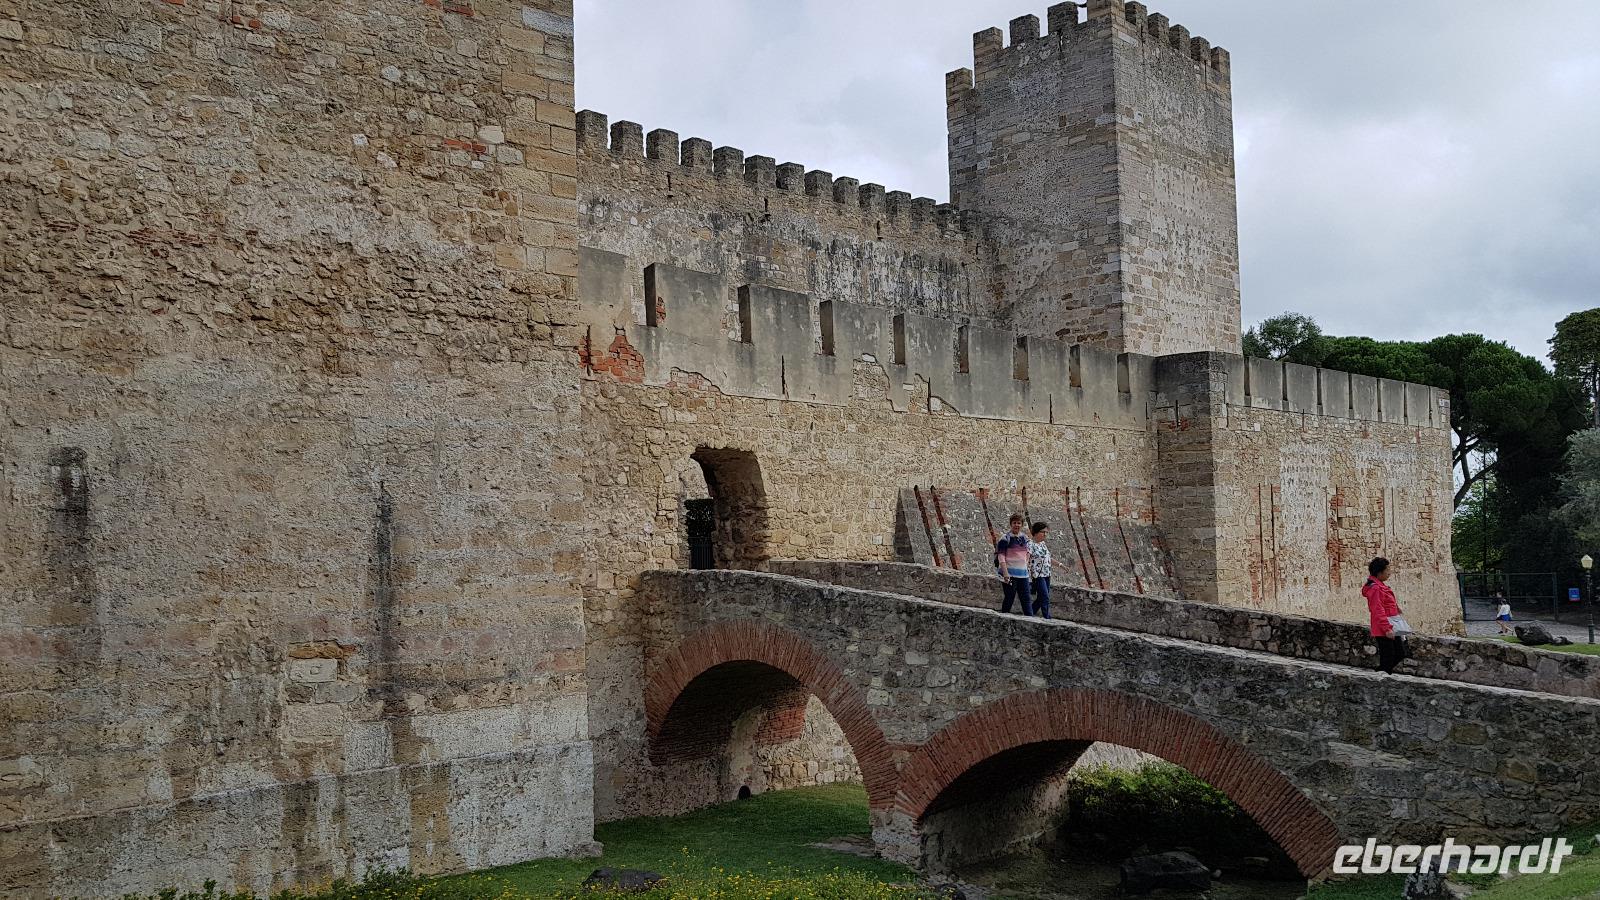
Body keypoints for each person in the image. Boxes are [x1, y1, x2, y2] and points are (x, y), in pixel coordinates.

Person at [1363, 557, 1411, 673]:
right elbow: (1377, 609)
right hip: (1384, 627)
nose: (1389, 573)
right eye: (1387, 570)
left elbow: (1384, 604)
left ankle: (1382, 674)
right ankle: (1380, 678)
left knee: (1399, 653)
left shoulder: (1379, 586)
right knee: (1389, 657)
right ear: (1380, 573)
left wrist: (1395, 607)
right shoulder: (1375, 588)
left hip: (1391, 625)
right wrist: (1387, 629)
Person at [995, 514, 1032, 616]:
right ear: (1011, 524)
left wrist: (1026, 563)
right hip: (1010, 574)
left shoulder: (1025, 538)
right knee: (1009, 598)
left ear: (1022, 525)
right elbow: (1001, 556)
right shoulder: (1005, 538)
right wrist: (1005, 573)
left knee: (1026, 599)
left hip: (1023, 575)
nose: (1017, 525)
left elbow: (1029, 551)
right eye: (1014, 523)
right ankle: (1003, 619)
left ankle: (1030, 621)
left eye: (1019, 523)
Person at [1028, 521, 1053, 620]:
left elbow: (1048, 558)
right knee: (1045, 596)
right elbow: (1027, 558)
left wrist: (1061, 565)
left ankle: (1030, 612)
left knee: (1041, 597)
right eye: (1043, 532)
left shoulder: (1043, 544)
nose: (1045, 534)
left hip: (1047, 574)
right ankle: (1047, 617)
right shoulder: (1030, 544)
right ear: (1036, 532)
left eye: (1046, 532)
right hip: (1037, 575)